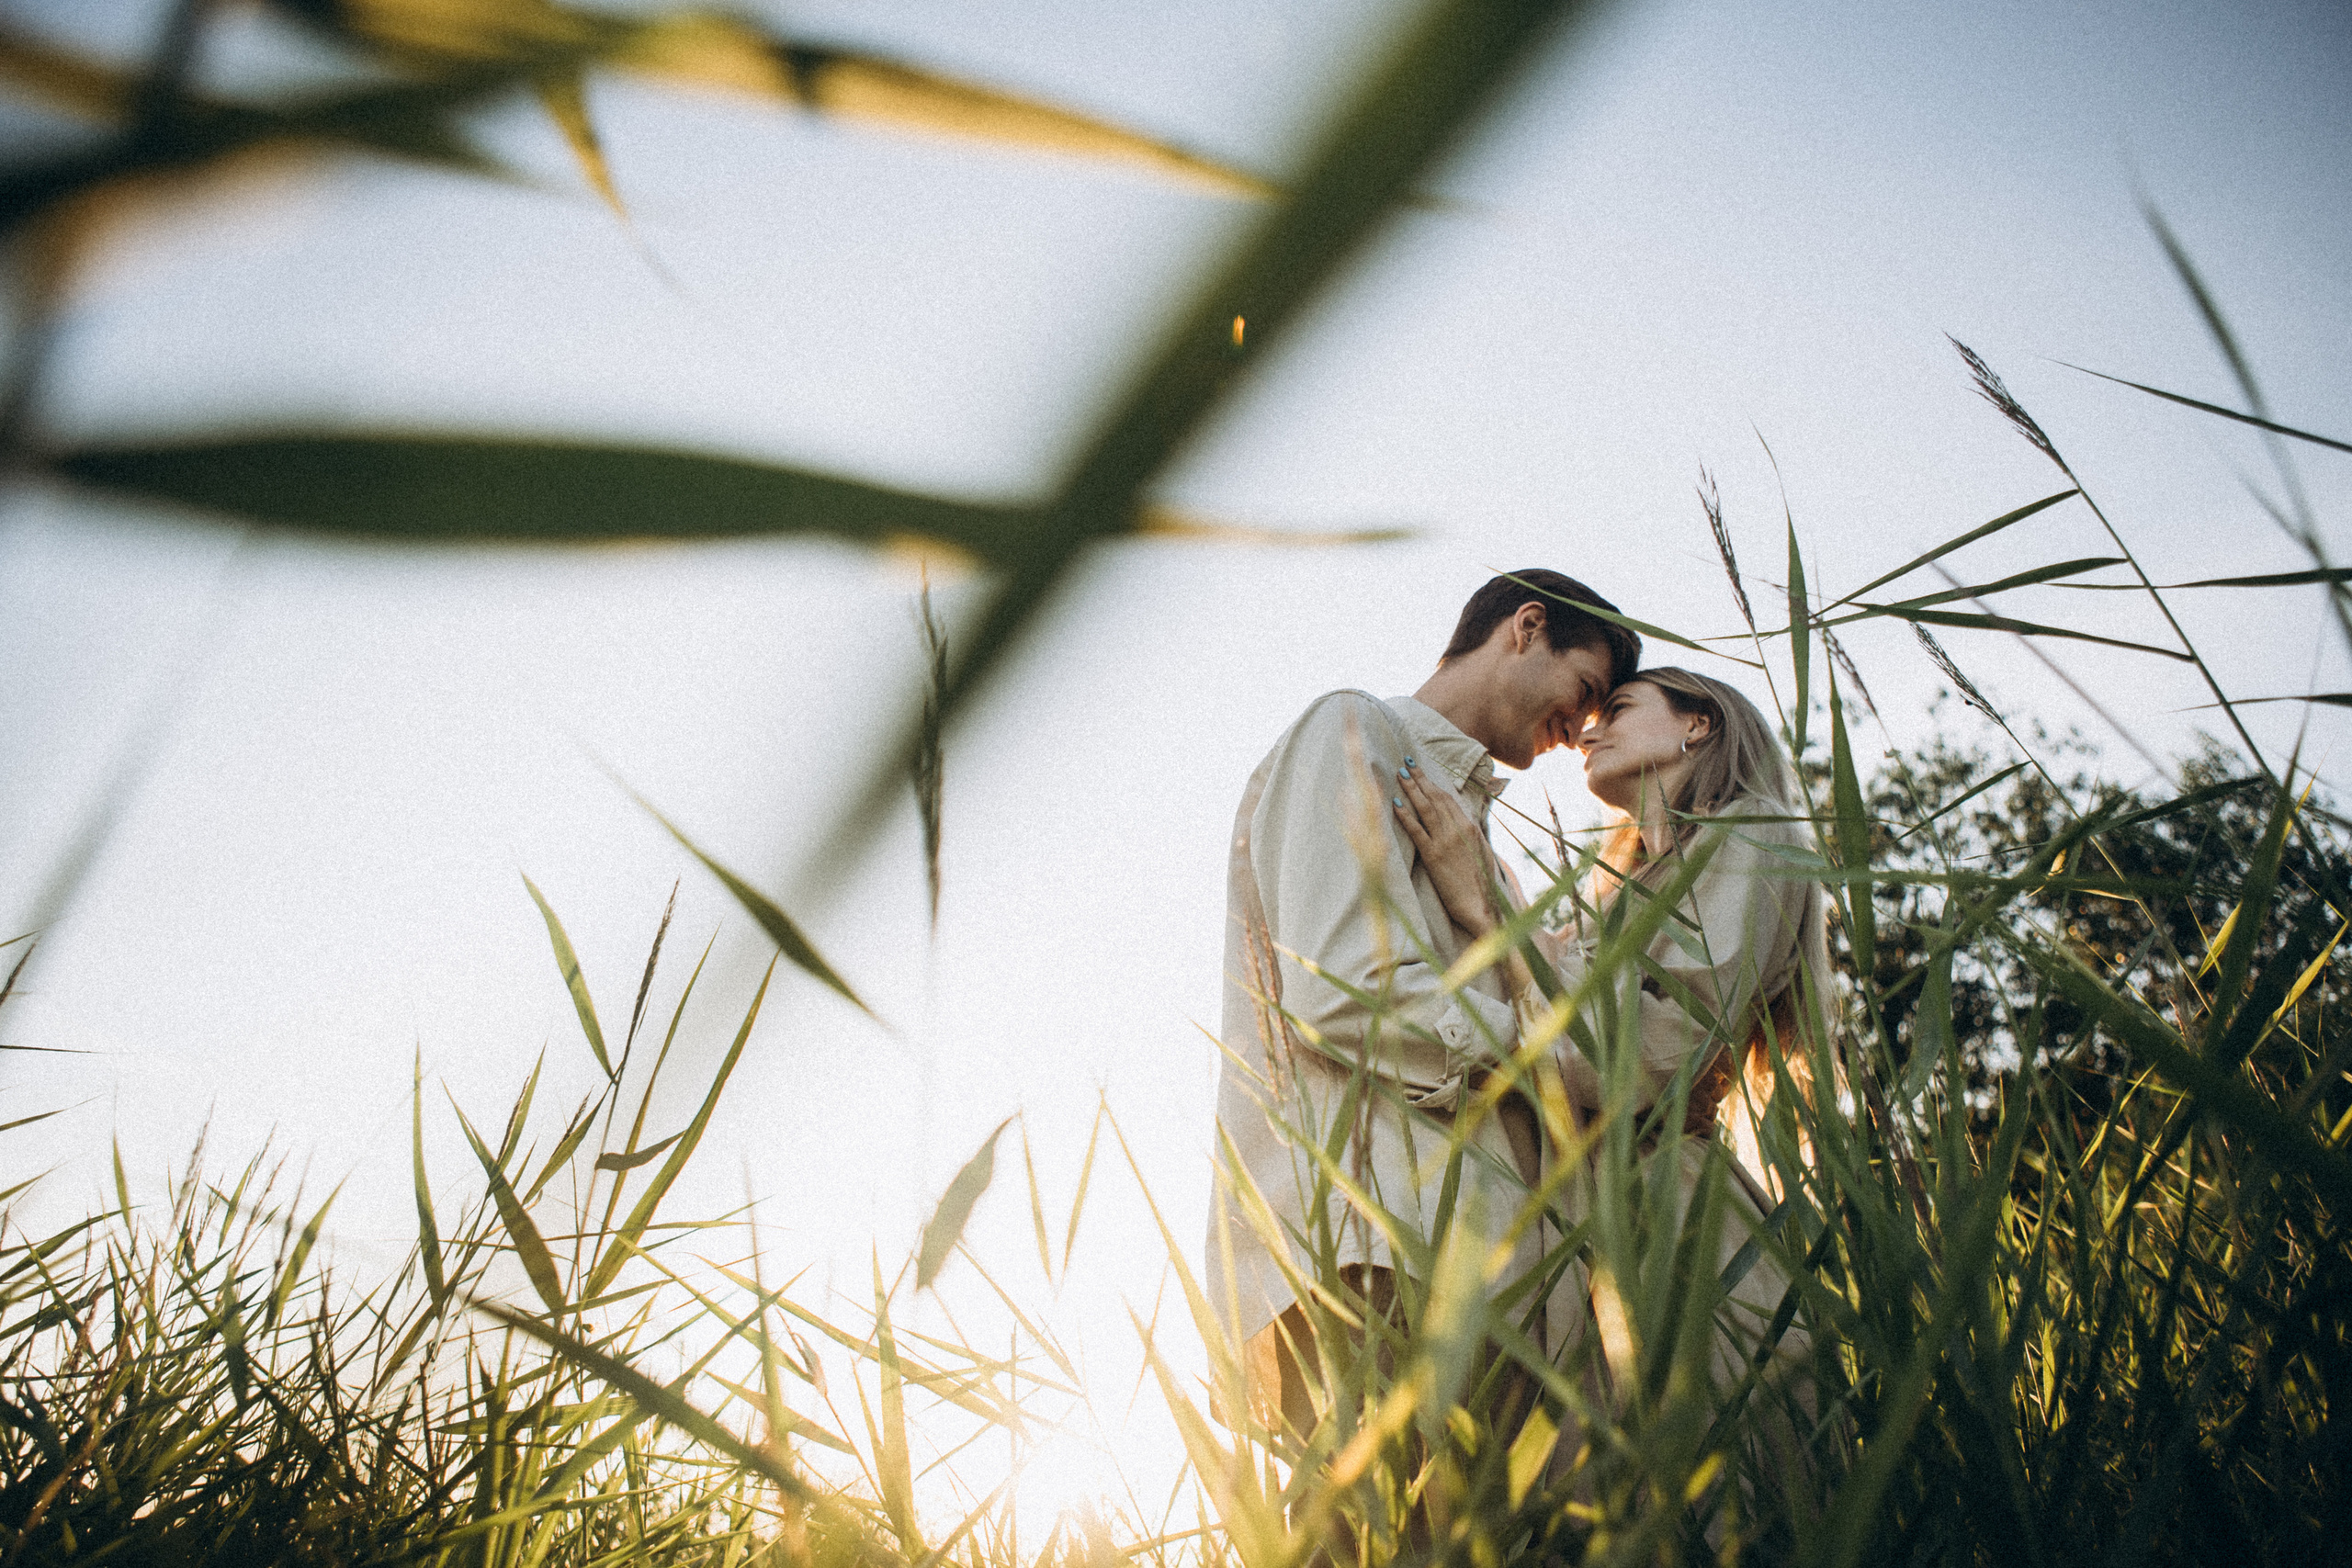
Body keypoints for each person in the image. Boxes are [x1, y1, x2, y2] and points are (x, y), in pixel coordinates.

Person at [1206, 569, 1640, 1440]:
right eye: (1584, 689)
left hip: (1497, 1279)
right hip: (1375, 1244)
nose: (1579, 729)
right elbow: (1340, 988)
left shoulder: (1489, 864)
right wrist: (1535, 1054)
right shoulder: (1354, 729)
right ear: (1526, 626)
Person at [1392, 665, 1829, 1444]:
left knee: (1715, 1495)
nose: (1588, 729)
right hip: (1589, 1222)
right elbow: (1565, 1011)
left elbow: (1660, 1045)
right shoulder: (1622, 888)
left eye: (1619, 707)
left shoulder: (1754, 830)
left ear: (1699, 724)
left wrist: (1489, 911)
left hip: (1679, 1215)